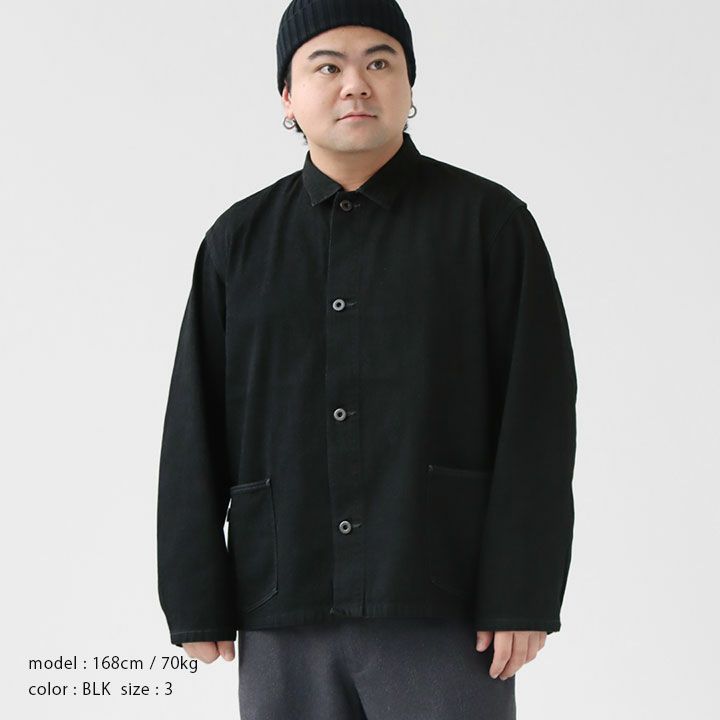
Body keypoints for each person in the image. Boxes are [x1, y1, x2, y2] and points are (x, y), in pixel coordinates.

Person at [156, 0, 577, 717]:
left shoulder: (488, 225)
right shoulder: (238, 242)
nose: (356, 83)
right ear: (287, 97)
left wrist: (522, 590)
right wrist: (195, 592)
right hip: (284, 596)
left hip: (444, 600)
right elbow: (194, 421)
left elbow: (537, 419)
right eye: (327, 66)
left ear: (409, 85)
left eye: (380, 61)